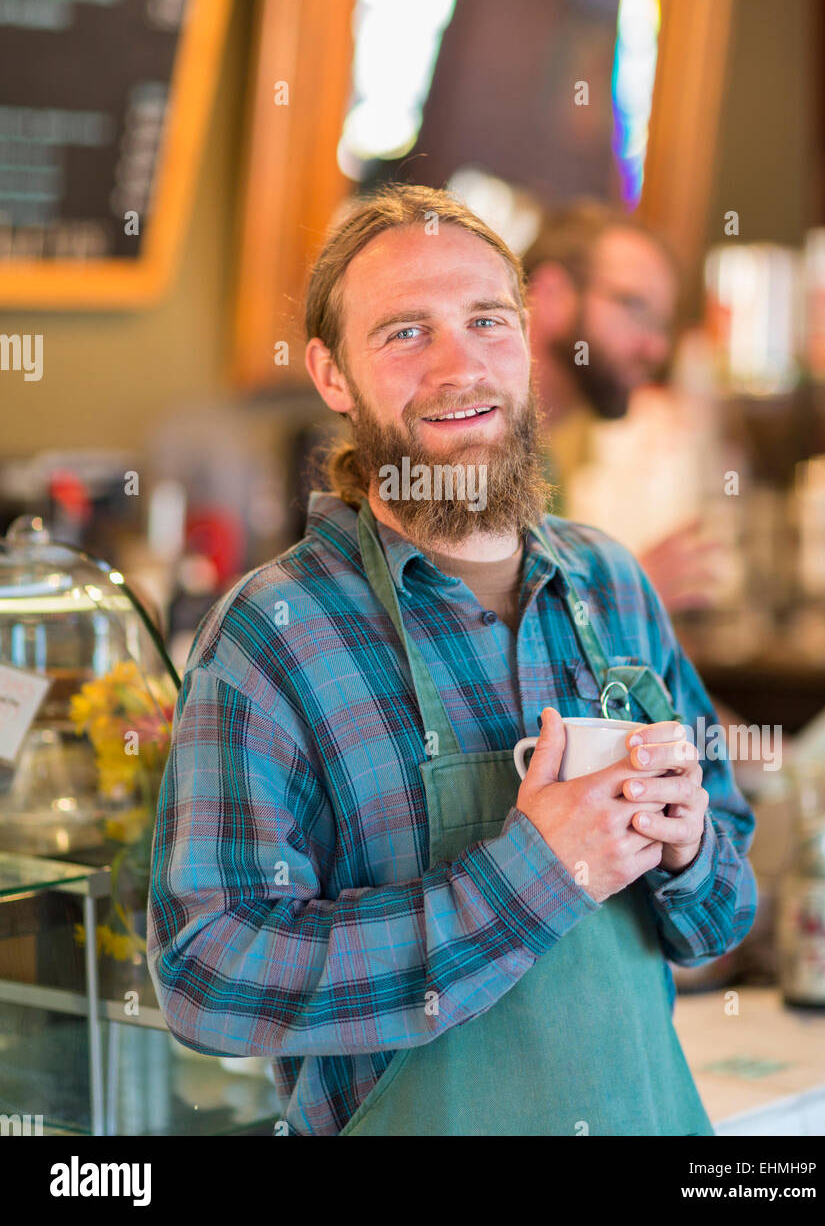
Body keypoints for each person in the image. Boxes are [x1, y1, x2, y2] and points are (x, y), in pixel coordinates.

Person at [147, 183, 757, 1137]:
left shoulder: (612, 582)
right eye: (404, 333)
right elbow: (207, 978)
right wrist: (530, 878)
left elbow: (725, 909)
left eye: (486, 320)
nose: (458, 366)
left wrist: (686, 851)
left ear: (527, 338)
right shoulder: (273, 636)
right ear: (332, 373)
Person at [523, 200, 723, 614]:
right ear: (551, 294)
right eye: (635, 308)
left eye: (662, 323)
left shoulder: (543, 459)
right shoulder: (477, 448)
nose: (657, 347)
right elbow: (481, 646)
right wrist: (626, 593)